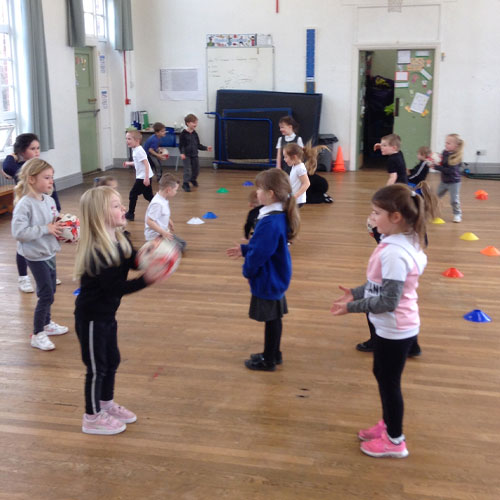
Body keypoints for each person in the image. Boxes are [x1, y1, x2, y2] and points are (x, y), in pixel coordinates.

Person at [331, 183, 438, 458]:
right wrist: (355, 292)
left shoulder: (394, 253)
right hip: (395, 325)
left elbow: (388, 300)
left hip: (395, 327)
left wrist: (352, 307)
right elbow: (381, 285)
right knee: (383, 376)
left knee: (389, 383)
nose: (372, 217)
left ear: (396, 217)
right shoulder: (407, 241)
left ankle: (394, 440)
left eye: (376, 212)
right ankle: (389, 423)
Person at [74, 186, 163, 435]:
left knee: (111, 360)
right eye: (116, 205)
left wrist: (148, 256)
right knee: (96, 367)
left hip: (107, 316)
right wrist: (147, 279)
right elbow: (115, 287)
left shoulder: (120, 237)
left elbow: (130, 259)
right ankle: (91, 417)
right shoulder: (98, 251)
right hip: (91, 318)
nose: (123, 208)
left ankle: (105, 403)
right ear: (99, 214)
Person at [226, 169, 300, 371]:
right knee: (274, 317)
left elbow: (260, 253)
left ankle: (269, 360)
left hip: (269, 277)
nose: (256, 192)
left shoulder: (269, 221)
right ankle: (273, 353)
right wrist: (244, 249)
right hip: (275, 274)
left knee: (271, 319)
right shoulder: (276, 215)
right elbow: (265, 246)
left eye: (259, 189)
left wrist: (247, 271)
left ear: (271, 194)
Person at [11, 158, 69, 351]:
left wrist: (63, 228)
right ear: (31, 179)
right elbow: (19, 233)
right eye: (46, 177)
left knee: (51, 291)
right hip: (35, 256)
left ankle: (47, 324)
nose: (51, 181)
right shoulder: (24, 205)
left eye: (52, 177)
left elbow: (51, 224)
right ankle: (37, 334)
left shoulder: (49, 200)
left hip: (49, 252)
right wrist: (46, 228)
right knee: (45, 295)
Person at [4, 133, 61, 293]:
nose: (36, 152)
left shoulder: (41, 168)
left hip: (45, 207)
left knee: (44, 241)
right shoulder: (21, 168)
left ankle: (46, 274)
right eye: (32, 149)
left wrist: (57, 208)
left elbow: (51, 189)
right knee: (24, 246)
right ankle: (23, 277)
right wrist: (13, 154)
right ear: (22, 151)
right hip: (29, 210)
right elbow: (7, 166)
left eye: (38, 148)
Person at [144, 173, 186, 251]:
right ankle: (153, 245)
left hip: (162, 232)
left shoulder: (162, 198)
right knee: (179, 248)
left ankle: (162, 244)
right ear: (168, 190)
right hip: (156, 236)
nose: (176, 192)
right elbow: (149, 221)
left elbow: (162, 213)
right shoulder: (157, 204)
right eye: (175, 190)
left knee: (183, 244)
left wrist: (169, 220)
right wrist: (163, 233)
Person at [123, 130, 154, 221]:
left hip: (143, 178)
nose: (127, 141)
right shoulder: (135, 149)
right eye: (126, 139)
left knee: (133, 194)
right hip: (144, 176)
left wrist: (146, 178)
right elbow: (138, 162)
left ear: (137, 141)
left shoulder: (139, 150)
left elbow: (146, 164)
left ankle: (130, 214)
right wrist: (129, 163)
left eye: (129, 139)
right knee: (148, 196)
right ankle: (159, 207)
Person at [433, 133, 464, 223]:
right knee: (435, 197)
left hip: (454, 182)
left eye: (448, 143)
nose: (446, 145)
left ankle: (457, 213)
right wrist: (435, 160)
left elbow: (450, 170)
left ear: (456, 146)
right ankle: (429, 210)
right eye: (445, 142)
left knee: (454, 200)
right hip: (444, 181)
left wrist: (437, 167)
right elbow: (443, 164)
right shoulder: (445, 152)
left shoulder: (456, 157)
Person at [179, 114, 212, 192]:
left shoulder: (195, 134)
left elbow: (198, 145)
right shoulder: (183, 134)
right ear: (188, 123)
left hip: (194, 155)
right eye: (194, 122)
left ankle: (192, 179)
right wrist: (182, 153)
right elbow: (181, 145)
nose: (195, 124)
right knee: (187, 170)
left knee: (196, 170)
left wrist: (206, 148)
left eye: (196, 122)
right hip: (186, 155)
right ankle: (185, 183)